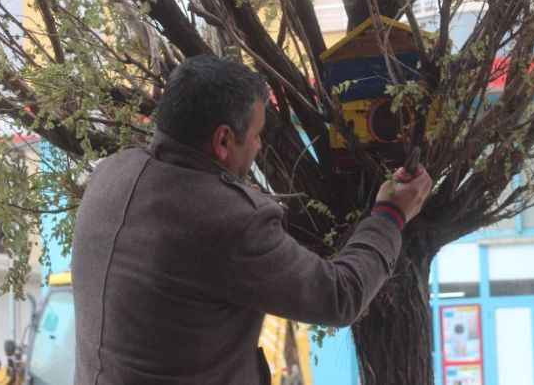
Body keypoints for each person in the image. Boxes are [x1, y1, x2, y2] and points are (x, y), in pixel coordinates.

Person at [71, 55, 433, 385]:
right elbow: (340, 296)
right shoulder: (229, 222)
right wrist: (390, 214)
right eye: (257, 135)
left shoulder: (111, 174)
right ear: (223, 140)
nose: (259, 146)